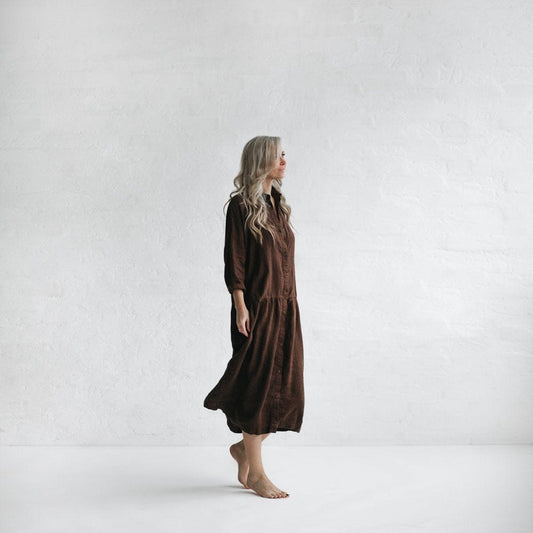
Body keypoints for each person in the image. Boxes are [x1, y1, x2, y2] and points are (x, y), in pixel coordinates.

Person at [203, 135, 305, 499]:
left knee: (285, 388)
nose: (284, 161)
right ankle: (258, 474)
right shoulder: (240, 207)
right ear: (262, 160)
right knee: (257, 386)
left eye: (284, 154)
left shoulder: (278, 205)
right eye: (278, 156)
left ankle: (244, 450)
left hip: (286, 306)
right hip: (257, 307)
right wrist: (241, 305)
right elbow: (236, 260)